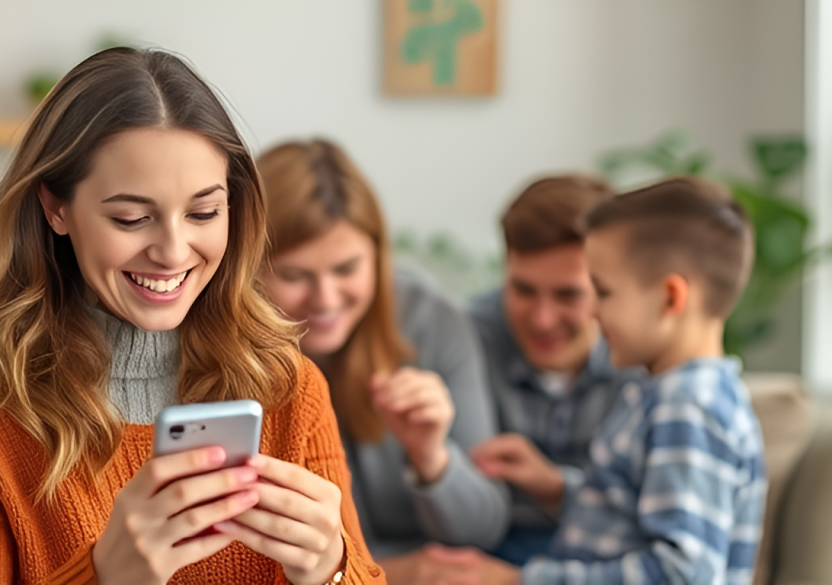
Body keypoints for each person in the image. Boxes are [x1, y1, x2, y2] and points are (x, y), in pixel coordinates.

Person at [0, 48, 384, 585]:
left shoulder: (289, 389)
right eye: (131, 218)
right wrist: (105, 577)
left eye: (203, 212)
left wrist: (333, 572)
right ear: (55, 208)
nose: (174, 251)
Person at [478, 176, 767, 584]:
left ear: (670, 298)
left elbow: (680, 575)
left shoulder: (688, 407)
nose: (593, 313)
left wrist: (521, 581)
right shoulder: (663, 394)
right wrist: (556, 487)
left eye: (604, 292)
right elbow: (631, 515)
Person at [256, 139, 513, 584]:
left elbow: (485, 528)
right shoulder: (227, 357)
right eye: (295, 276)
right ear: (249, 266)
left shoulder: (432, 321)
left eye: (347, 268)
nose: (326, 299)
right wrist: (399, 572)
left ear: (378, 254)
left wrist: (431, 456)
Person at [467, 175, 641, 564]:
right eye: (523, 290)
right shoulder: (468, 338)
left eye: (568, 295)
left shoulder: (645, 359)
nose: (543, 320)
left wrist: (556, 487)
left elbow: (646, 515)